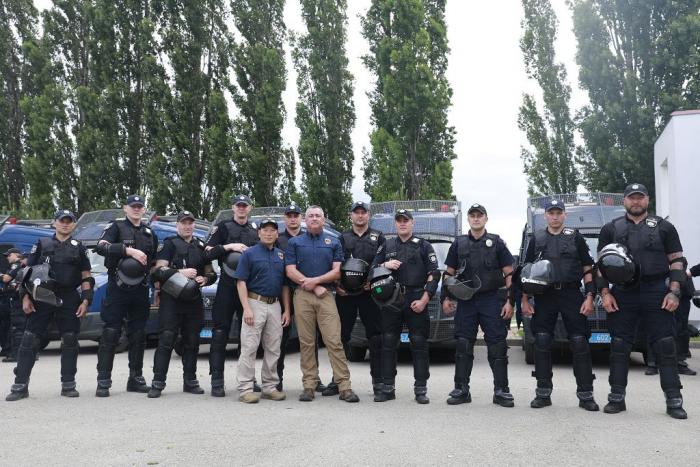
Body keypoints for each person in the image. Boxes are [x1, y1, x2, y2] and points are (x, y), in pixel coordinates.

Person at [597, 183, 688, 419]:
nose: (636, 201)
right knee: (619, 345)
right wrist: (605, 294)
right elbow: (600, 267)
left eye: (640, 197)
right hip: (623, 293)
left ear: (647, 200)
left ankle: (674, 400)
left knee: (665, 345)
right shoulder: (610, 228)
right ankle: (616, 398)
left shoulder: (664, 227)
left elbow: (677, 261)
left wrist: (674, 292)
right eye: (631, 198)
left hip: (656, 291)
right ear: (624, 201)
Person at [6, 210, 93, 401]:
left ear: (74, 225)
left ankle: (68, 384)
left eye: (69, 221)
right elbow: (26, 272)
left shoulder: (79, 248)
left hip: (69, 297)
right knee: (29, 339)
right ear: (55, 223)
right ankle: (20, 385)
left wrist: (86, 300)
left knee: (70, 340)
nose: (65, 224)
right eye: (62, 221)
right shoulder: (42, 244)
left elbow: (86, 277)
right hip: (42, 297)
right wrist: (25, 297)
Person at [521, 199, 599, 411]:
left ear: (564, 215)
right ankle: (543, 393)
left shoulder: (575, 237)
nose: (555, 217)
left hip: (571, 293)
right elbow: (526, 271)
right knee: (542, 341)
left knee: (579, 341)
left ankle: (586, 395)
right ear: (545, 215)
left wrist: (590, 296)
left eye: (558, 213)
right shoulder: (537, 239)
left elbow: (588, 269)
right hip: (544, 296)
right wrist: (525, 299)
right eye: (551, 213)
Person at [441, 204, 515, 407]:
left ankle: (501, 390)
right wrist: (445, 298)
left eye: (479, 215)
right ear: (468, 219)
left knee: (497, 345)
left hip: (492, 299)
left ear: (486, 218)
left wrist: (510, 301)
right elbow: (448, 273)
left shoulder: (497, 242)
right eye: (472, 216)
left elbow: (509, 273)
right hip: (466, 301)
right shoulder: (459, 244)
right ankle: (461, 389)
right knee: (463, 345)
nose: (476, 218)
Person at [285, 205, 359, 403]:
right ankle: (309, 385)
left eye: (318, 215)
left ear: (323, 220)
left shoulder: (333, 242)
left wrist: (316, 283)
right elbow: (290, 271)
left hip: (326, 295)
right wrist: (312, 286)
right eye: (310, 216)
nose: (314, 218)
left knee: (334, 341)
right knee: (306, 342)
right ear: (305, 220)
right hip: (302, 295)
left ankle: (344, 386)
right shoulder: (294, 242)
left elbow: (336, 272)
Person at [371, 209, 441, 404]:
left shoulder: (424, 246)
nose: (402, 223)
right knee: (388, 342)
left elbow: (434, 274)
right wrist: (385, 265)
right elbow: (372, 270)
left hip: (416, 297)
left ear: (412, 223)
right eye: (399, 220)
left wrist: (424, 300)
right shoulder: (387, 245)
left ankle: (420, 389)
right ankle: (387, 388)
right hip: (391, 299)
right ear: (395, 224)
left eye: (406, 220)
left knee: (419, 342)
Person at [147, 211, 217, 398]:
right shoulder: (169, 244)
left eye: (190, 223)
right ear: (177, 225)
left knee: (192, 341)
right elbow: (157, 271)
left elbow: (211, 273)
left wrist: (205, 279)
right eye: (184, 223)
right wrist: (180, 272)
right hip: (171, 300)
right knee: (166, 340)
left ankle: (190, 381)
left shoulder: (200, 246)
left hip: (193, 301)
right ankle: (158, 382)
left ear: (194, 225)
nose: (187, 226)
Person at [95, 195, 158, 397]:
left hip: (140, 288)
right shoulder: (116, 227)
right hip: (118, 288)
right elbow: (101, 247)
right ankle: (103, 380)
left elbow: (154, 262)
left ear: (144, 209)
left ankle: (135, 378)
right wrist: (128, 251)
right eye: (133, 206)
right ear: (125, 208)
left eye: (140, 206)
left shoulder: (150, 233)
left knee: (138, 335)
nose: (136, 209)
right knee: (111, 333)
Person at [205, 194, 259, 397]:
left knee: (249, 336)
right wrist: (229, 247)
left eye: (245, 205)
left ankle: (248, 379)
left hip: (249, 287)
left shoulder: (255, 229)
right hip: (227, 286)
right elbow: (207, 252)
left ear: (250, 208)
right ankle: (216, 380)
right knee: (220, 333)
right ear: (233, 207)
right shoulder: (223, 227)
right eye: (239, 205)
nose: (242, 208)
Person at [234, 218, 290, 403]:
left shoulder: (281, 255)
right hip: (254, 302)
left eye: (272, 230)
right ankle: (245, 389)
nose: (269, 233)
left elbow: (285, 285)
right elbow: (241, 282)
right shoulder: (249, 254)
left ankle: (269, 387)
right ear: (259, 233)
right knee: (249, 347)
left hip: (275, 305)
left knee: (273, 348)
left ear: (277, 234)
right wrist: (246, 308)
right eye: (265, 230)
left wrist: (286, 310)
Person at [333, 201, 385, 396]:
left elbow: (381, 261)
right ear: (351, 215)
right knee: (340, 337)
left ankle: (378, 382)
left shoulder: (378, 237)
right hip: (345, 295)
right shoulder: (342, 237)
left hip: (369, 294)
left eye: (363, 212)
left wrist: (372, 280)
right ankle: (337, 381)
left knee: (375, 337)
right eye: (357, 212)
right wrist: (337, 285)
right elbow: (336, 263)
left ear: (368, 215)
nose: (360, 215)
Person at [275, 203, 326, 393]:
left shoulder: (310, 237)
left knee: (311, 338)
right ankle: (277, 379)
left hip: (308, 292)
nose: (292, 219)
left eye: (295, 215)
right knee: (281, 338)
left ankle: (314, 379)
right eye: (289, 216)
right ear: (285, 219)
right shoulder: (278, 240)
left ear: (301, 218)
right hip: (284, 292)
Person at [1, 249, 25, 362]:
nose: (7, 258)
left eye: (9, 255)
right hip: (16, 298)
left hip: (17, 299)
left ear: (16, 255)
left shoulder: (16, 265)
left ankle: (16, 355)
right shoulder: (17, 266)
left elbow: (7, 278)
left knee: (17, 327)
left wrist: (1, 275)